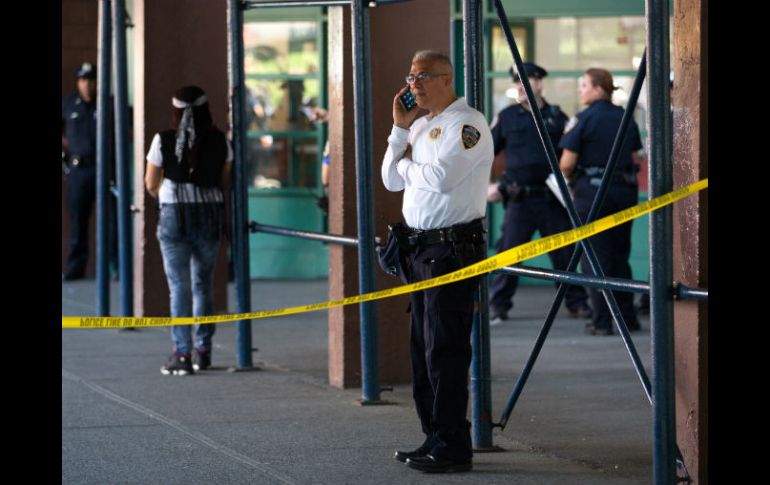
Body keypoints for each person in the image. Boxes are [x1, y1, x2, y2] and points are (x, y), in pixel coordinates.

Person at [382, 50, 493, 473]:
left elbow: (442, 179)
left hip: (451, 250)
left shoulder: (467, 125)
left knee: (445, 348)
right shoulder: (423, 124)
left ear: (446, 78)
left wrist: (410, 164)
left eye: (422, 76)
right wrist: (398, 129)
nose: (414, 85)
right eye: (410, 77)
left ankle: (453, 445)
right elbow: (390, 179)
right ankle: (434, 435)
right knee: (422, 350)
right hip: (419, 250)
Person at [487, 62, 592, 325]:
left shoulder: (558, 116)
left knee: (565, 255)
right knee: (508, 254)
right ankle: (498, 306)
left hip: (552, 200)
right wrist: (488, 184)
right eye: (517, 82)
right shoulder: (507, 116)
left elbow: (575, 152)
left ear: (539, 83)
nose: (520, 86)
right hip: (519, 199)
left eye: (526, 81)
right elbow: (483, 151)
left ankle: (576, 303)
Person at [145, 86, 233, 375]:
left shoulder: (163, 139)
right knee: (202, 285)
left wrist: (170, 196)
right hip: (208, 215)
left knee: (178, 287)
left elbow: (150, 183)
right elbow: (225, 180)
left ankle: (181, 354)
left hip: (174, 214)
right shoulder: (221, 140)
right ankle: (203, 350)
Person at [559, 68, 642, 336]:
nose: (580, 90)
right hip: (625, 191)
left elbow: (567, 164)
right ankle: (627, 318)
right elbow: (633, 153)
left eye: (584, 85)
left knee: (595, 258)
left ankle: (602, 321)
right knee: (620, 256)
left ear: (597, 89)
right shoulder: (626, 117)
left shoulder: (583, 119)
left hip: (593, 193)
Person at [62, 62, 118, 280]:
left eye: (91, 80)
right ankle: (75, 269)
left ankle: (117, 267)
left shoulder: (109, 104)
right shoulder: (69, 104)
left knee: (113, 221)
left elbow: (130, 129)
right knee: (78, 222)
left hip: (106, 168)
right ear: (78, 82)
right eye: (83, 80)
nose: (87, 85)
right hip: (79, 171)